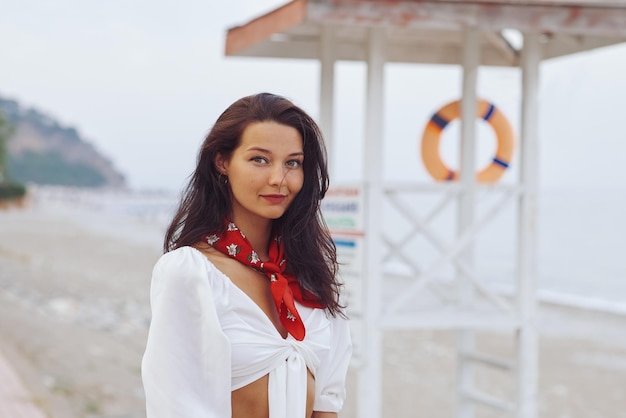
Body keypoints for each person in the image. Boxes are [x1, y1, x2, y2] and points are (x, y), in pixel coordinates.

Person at [141, 92, 352, 418]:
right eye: (259, 159)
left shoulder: (312, 278)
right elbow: (175, 405)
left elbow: (328, 404)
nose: (278, 179)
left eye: (292, 163)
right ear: (222, 161)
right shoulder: (191, 273)